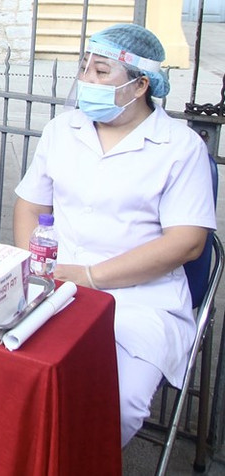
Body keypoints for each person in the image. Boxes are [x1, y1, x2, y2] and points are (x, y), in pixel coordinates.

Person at [13, 24, 216, 448]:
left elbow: (187, 241)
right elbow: (30, 205)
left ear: (140, 85)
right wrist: (32, 268)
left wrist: (88, 276)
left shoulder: (180, 147)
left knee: (114, 405)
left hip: (140, 301)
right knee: (12, 377)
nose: (86, 79)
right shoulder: (63, 130)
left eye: (101, 72)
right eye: (84, 67)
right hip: (52, 283)